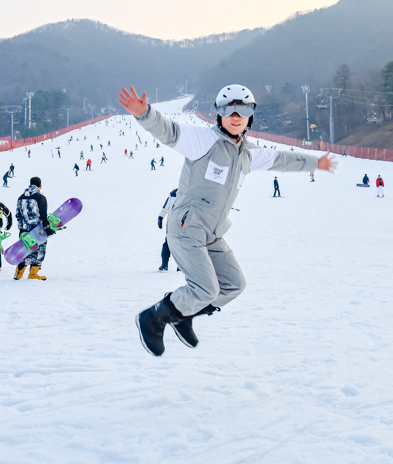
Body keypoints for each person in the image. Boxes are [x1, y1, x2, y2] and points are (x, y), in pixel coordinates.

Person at [119, 84, 337, 357]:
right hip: (186, 228)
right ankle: (153, 317)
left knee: (234, 284)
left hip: (212, 233)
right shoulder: (202, 141)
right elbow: (170, 131)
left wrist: (315, 163)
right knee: (205, 288)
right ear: (219, 114)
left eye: (243, 110)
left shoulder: (248, 153)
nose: (236, 116)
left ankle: (183, 315)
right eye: (229, 110)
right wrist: (145, 114)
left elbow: (282, 158)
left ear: (250, 116)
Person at [14, 177, 51, 280]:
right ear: (40, 186)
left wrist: (21, 230)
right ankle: (33, 274)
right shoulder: (41, 197)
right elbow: (43, 215)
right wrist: (47, 229)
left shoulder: (20, 198)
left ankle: (18, 273)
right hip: (38, 229)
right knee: (39, 251)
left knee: (25, 250)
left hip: (24, 229)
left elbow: (18, 215)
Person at [157, 188, 178, 272]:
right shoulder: (192, 193)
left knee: (168, 243)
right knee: (182, 245)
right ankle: (180, 267)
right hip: (183, 224)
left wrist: (160, 217)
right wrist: (160, 217)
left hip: (173, 224)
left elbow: (165, 207)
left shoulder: (174, 193)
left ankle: (164, 265)